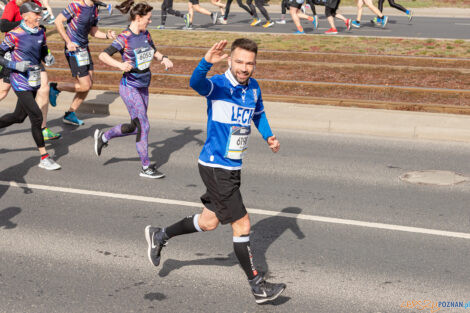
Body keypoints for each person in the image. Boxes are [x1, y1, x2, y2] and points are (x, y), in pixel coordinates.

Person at [144, 38, 286, 304]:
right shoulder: (219, 85)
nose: (245, 68)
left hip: (232, 167)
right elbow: (195, 83)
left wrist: (269, 136)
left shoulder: (253, 88)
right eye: (240, 62)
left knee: (208, 222)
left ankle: (160, 234)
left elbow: (258, 114)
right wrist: (206, 62)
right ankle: (257, 287)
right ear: (230, 60)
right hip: (215, 165)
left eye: (250, 63)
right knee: (242, 224)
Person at [94, 1, 172, 179]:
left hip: (144, 87)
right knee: (144, 125)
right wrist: (120, 64)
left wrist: (164, 58)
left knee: (135, 127)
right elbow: (103, 55)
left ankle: (104, 137)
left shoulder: (145, 34)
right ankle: (145, 167)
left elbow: (153, 50)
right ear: (138, 18)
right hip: (129, 88)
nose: (150, 22)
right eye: (148, 19)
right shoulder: (124, 37)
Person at [0, 2, 60, 170]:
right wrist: (14, 65)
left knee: (18, 117)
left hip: (33, 79)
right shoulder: (14, 34)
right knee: (36, 117)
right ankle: (44, 157)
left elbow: (43, 49)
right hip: (19, 80)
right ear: (25, 17)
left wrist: (48, 58)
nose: (40, 16)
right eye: (36, 14)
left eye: (40, 13)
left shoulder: (41, 31)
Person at [48, 0, 116, 126]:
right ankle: (54, 87)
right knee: (85, 85)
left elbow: (93, 31)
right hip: (73, 50)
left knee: (89, 84)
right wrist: (68, 42)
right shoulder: (76, 5)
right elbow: (58, 21)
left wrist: (107, 35)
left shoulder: (95, 8)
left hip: (84, 49)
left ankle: (70, 113)